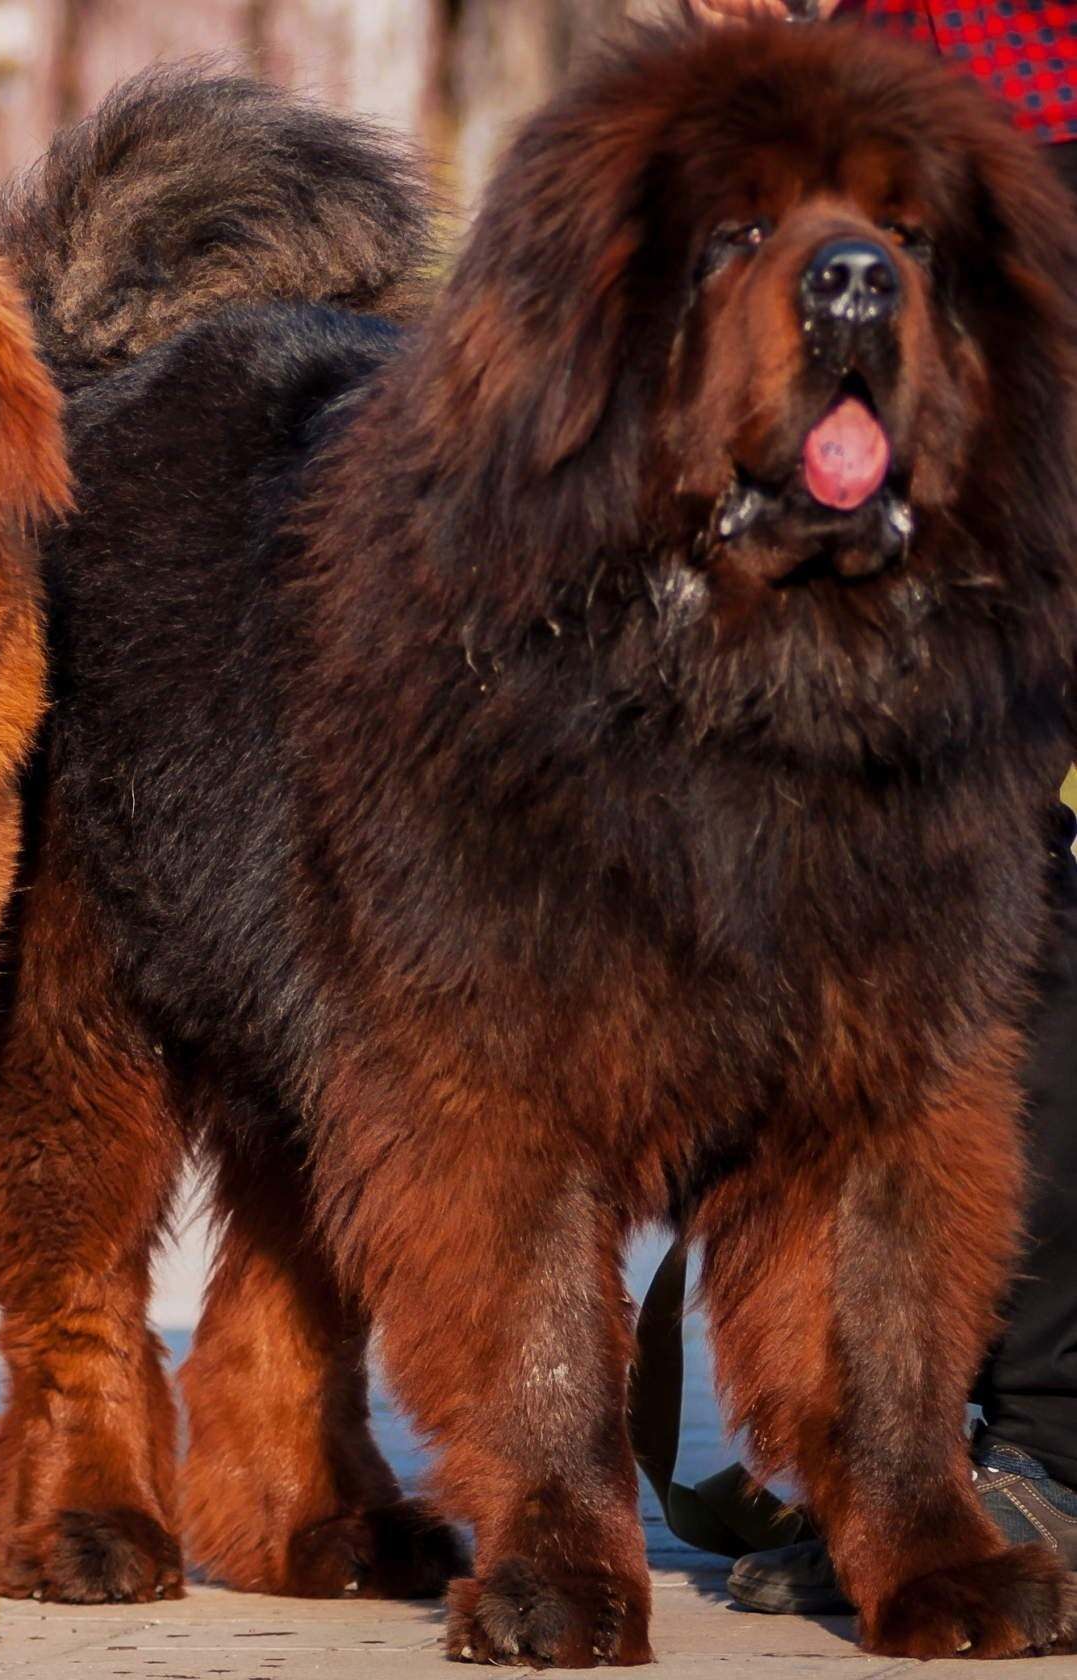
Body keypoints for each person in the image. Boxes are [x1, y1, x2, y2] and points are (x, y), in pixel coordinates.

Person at [683, 0, 1077, 1615]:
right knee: (867, 867)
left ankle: (1040, 1442)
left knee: (1021, 843)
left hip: (1025, 159)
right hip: (880, 136)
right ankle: (878, 1445)